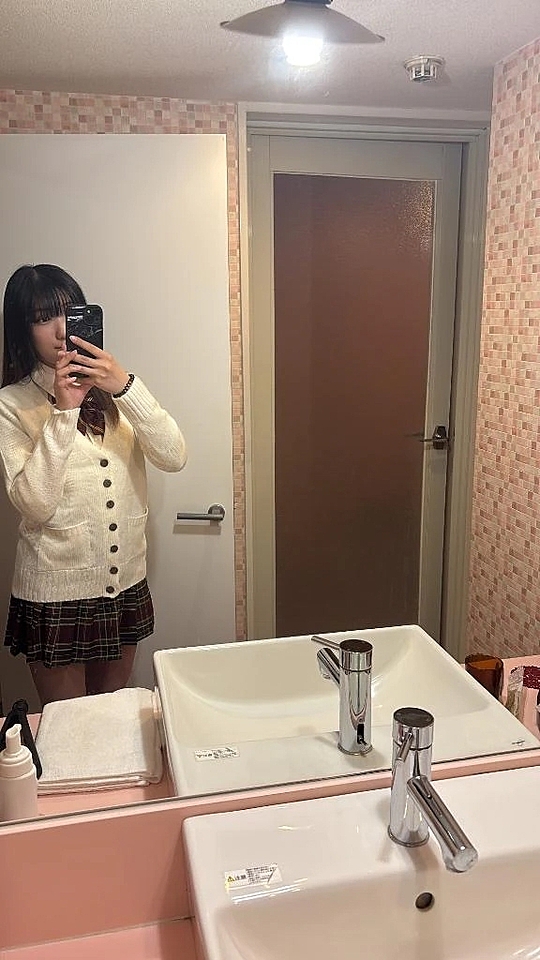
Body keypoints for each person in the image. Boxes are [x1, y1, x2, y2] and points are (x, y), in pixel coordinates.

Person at [0, 264, 187, 705]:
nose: (61, 330)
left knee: (112, 719)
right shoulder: (12, 403)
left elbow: (173, 456)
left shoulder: (117, 391)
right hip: (56, 593)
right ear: (23, 329)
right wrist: (64, 412)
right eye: (44, 318)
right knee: (68, 726)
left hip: (124, 585)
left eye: (69, 313)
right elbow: (34, 504)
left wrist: (124, 386)